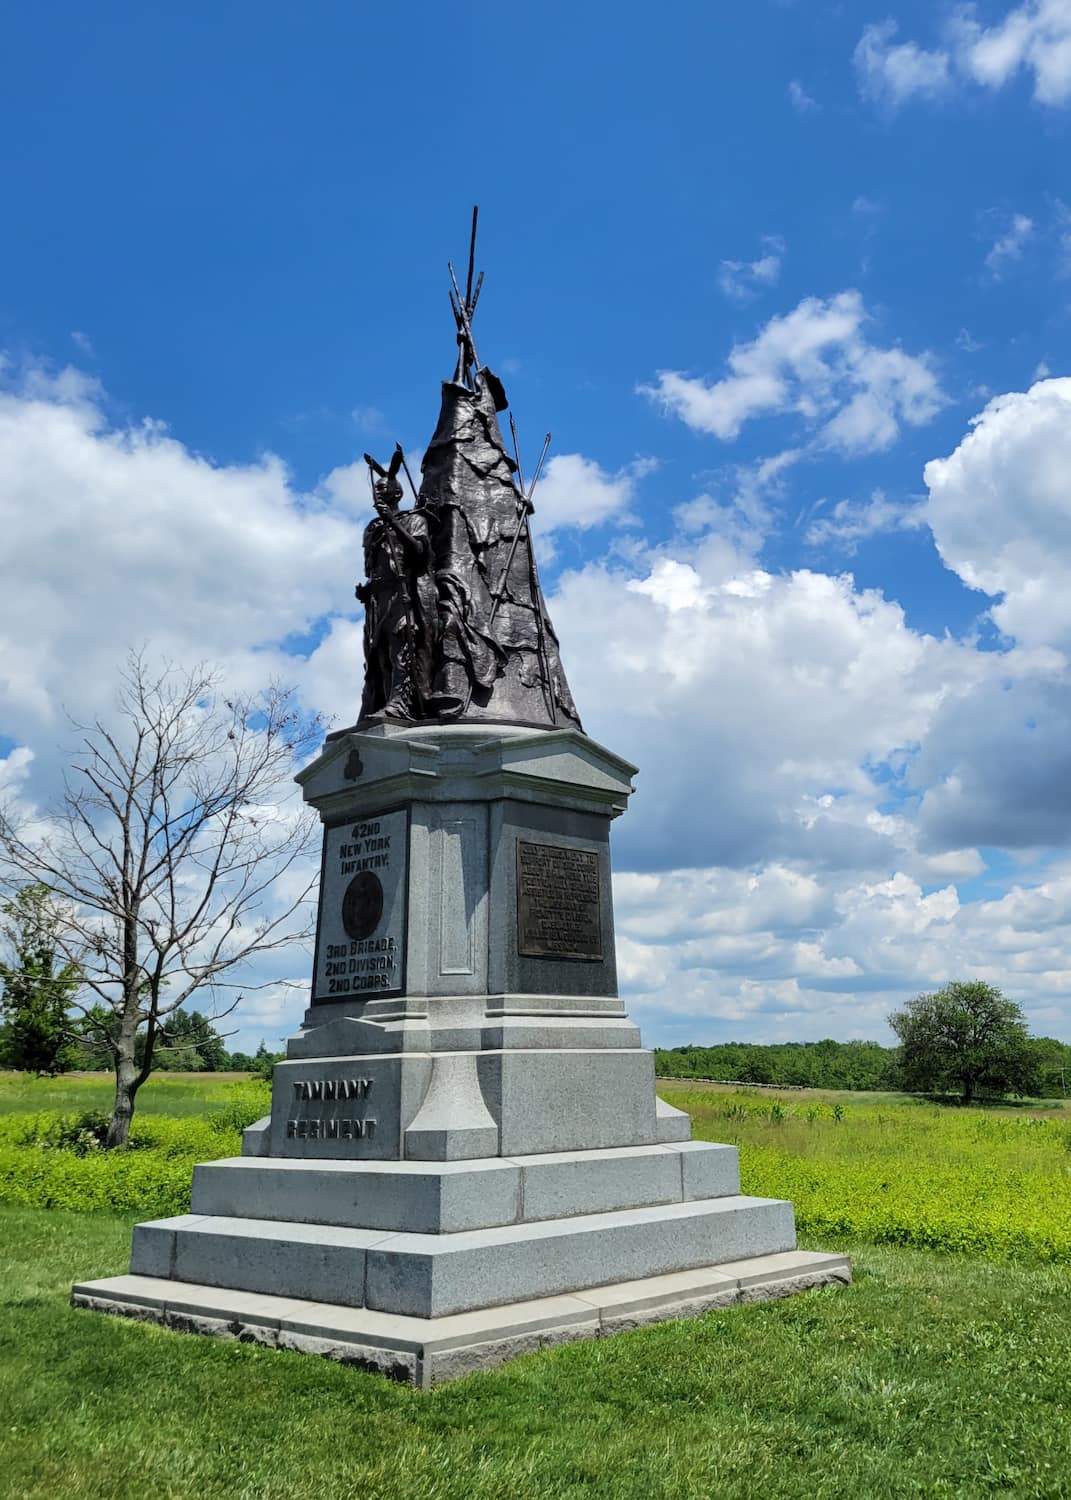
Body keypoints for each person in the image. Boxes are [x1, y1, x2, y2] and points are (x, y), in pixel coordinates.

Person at [356, 451, 437, 720]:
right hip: (378, 599)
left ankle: (401, 704)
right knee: (379, 656)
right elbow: (374, 567)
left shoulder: (414, 519)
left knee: (401, 646)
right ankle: (384, 702)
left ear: (396, 494)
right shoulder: (371, 528)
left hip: (404, 592)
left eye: (382, 489)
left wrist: (392, 521)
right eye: (375, 489)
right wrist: (366, 591)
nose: (376, 494)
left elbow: (419, 553)